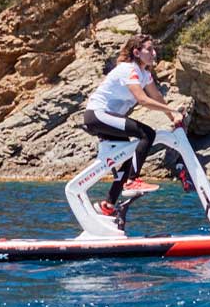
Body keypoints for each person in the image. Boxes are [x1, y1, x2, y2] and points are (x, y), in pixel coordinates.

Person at [81, 33, 191, 217]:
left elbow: (156, 96)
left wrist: (172, 116)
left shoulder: (145, 74)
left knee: (125, 157)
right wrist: (172, 109)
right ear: (137, 52)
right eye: (149, 49)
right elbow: (143, 99)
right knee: (147, 133)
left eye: (154, 49)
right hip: (97, 115)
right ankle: (132, 180)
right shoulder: (129, 70)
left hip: (107, 117)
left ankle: (108, 204)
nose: (153, 53)